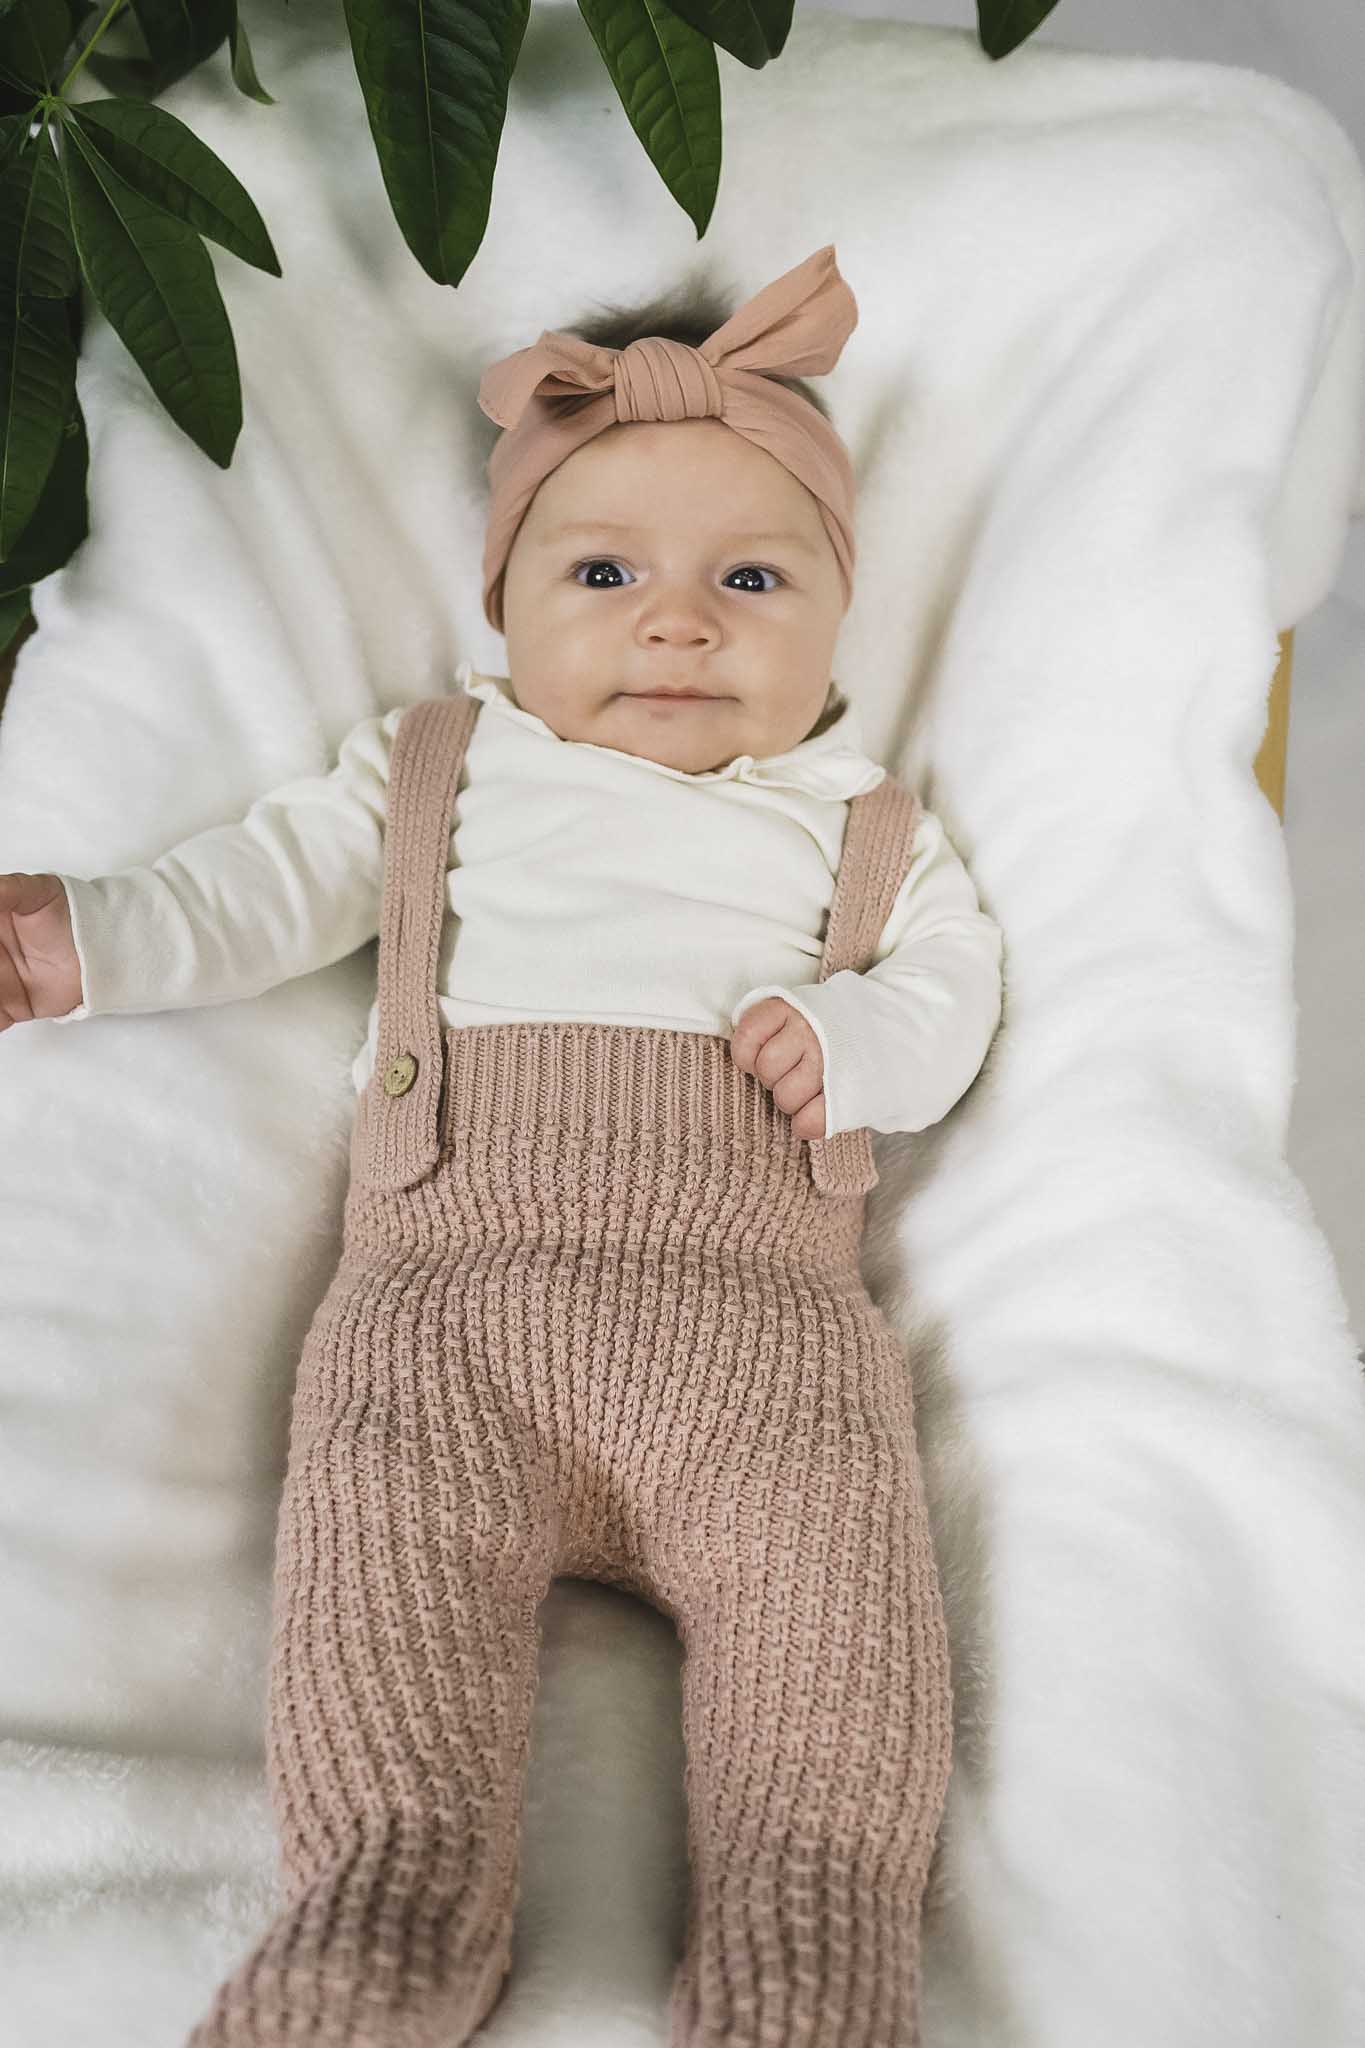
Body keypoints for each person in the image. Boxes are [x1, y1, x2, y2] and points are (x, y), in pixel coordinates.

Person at [0, 243, 1002, 2047]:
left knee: (833, 1660)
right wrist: (92, 938)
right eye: (603, 573)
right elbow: (261, 887)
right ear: (508, 606)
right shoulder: (441, 768)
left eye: (751, 578)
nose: (676, 624)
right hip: (443, 1323)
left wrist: (859, 1040)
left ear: (836, 621)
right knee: (386, 1626)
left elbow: (954, 995)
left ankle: (808, 1949)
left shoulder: (863, 824)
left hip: (768, 1351)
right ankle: (378, 1923)